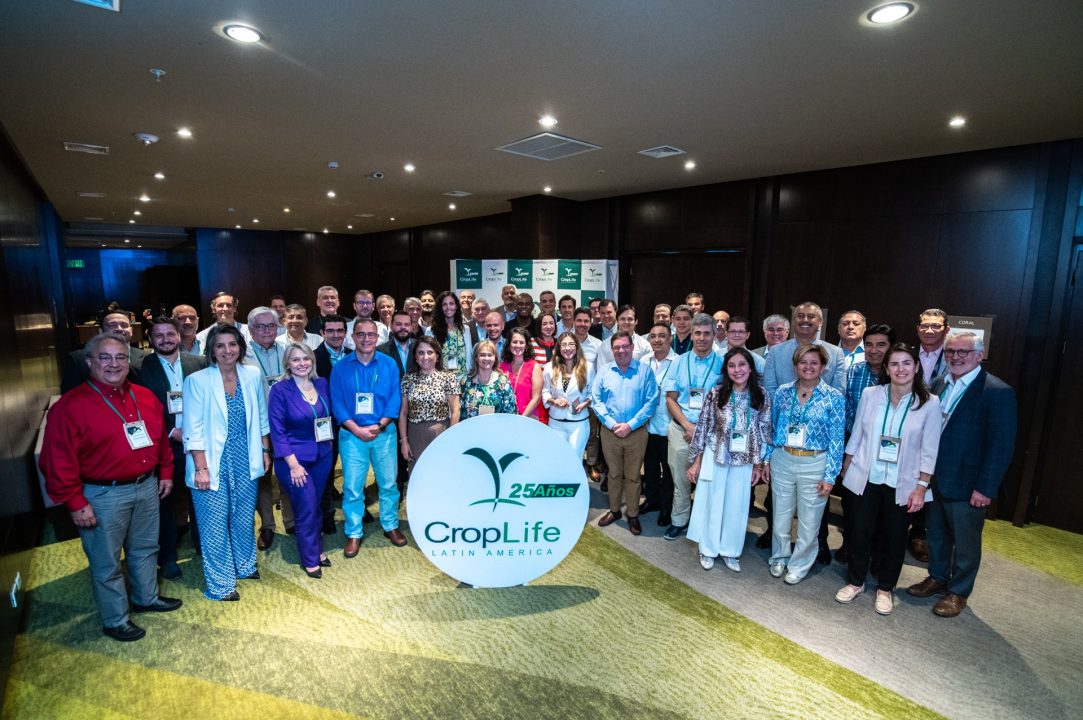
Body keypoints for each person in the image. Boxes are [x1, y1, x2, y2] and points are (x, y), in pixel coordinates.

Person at [40, 332, 181, 641]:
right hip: (102, 495)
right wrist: (75, 503)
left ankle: (146, 597)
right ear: (90, 362)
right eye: (105, 357)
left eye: (120, 357)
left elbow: (160, 440)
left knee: (146, 548)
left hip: (147, 486)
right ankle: (115, 619)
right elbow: (55, 461)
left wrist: (166, 472)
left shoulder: (145, 396)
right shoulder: (69, 406)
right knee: (106, 562)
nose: (114, 364)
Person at [907, 330, 1017, 618]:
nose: (956, 357)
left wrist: (986, 487)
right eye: (950, 351)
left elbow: (1001, 446)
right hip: (934, 478)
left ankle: (959, 591)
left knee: (966, 543)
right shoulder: (939, 384)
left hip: (969, 484)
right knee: (936, 535)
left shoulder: (996, 391)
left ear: (979, 355)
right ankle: (937, 577)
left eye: (963, 352)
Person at [837, 343, 941, 615]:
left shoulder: (929, 403)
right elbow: (858, 433)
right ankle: (855, 582)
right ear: (886, 368)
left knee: (894, 538)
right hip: (866, 476)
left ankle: (885, 588)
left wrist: (922, 487)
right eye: (894, 364)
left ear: (916, 367)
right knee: (859, 532)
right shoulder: (871, 394)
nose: (900, 369)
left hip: (903, 482)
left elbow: (930, 450)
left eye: (906, 363)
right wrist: (846, 466)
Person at [183, 325, 271, 601]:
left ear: (240, 347)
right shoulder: (197, 381)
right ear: (211, 350)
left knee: (244, 517)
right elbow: (192, 428)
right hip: (211, 462)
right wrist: (201, 468)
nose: (227, 350)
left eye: (232, 344)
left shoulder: (252, 375)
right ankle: (220, 585)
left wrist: (265, 450)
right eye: (220, 345)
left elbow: (261, 417)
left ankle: (245, 565)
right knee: (214, 524)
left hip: (246, 457)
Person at [763, 343, 845, 585]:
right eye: (803, 362)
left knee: (810, 520)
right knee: (780, 514)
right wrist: (767, 459)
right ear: (795, 366)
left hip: (815, 463)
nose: (808, 367)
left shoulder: (833, 397)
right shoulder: (782, 392)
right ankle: (779, 556)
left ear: (823, 366)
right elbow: (772, 428)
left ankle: (799, 564)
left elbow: (837, 440)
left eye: (814, 363)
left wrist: (830, 476)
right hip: (783, 459)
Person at [687, 347, 773, 572]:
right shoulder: (716, 394)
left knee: (737, 507)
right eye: (732, 366)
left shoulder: (762, 396)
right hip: (715, 456)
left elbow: (765, 431)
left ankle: (730, 551)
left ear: (750, 368)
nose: (737, 370)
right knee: (713, 504)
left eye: (742, 364)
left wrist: (760, 464)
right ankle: (708, 549)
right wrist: (696, 461)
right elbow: (703, 427)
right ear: (726, 370)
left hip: (744, 461)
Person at [330, 319, 407, 553]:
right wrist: (357, 429)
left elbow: (395, 398)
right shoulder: (340, 367)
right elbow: (337, 403)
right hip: (352, 436)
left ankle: (390, 525)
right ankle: (354, 532)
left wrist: (380, 425)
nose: (366, 339)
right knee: (353, 486)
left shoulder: (389, 364)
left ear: (377, 337)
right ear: (353, 337)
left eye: (371, 335)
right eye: (361, 334)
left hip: (384, 433)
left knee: (388, 484)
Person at [140, 316, 207, 580]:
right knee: (164, 503)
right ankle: (167, 557)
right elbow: (143, 408)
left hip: (198, 443)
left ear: (179, 336)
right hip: (164, 444)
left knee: (201, 497)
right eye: (159, 335)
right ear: (150, 339)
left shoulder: (198, 362)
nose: (165, 339)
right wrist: (171, 430)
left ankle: (205, 548)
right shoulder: (140, 368)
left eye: (170, 334)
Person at [268, 343, 334, 578]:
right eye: (295, 359)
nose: (302, 363)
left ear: (312, 361)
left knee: (316, 505)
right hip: (294, 460)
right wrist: (293, 465)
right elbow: (277, 432)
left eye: (306, 358)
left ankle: (316, 549)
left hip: (322, 455)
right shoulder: (279, 390)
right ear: (287, 363)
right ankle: (310, 558)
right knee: (306, 508)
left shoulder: (321, 383)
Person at [663, 312, 724, 540]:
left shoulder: (723, 364)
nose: (702, 338)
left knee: (708, 481)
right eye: (697, 333)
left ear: (714, 335)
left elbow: (726, 401)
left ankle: (703, 524)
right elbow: (670, 398)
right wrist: (688, 425)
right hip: (682, 430)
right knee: (680, 480)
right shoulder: (679, 362)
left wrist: (701, 429)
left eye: (707, 333)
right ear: (692, 334)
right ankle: (679, 520)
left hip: (712, 433)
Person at [593, 332, 659, 535]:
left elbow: (651, 401)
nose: (621, 350)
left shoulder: (645, 371)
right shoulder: (604, 371)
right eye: (617, 347)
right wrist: (613, 424)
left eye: (624, 346)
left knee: (633, 476)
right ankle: (614, 511)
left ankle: (632, 514)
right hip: (610, 432)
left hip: (636, 433)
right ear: (612, 350)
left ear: (632, 347)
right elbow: (596, 401)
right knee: (613, 474)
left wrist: (630, 425)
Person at [245, 306, 294, 549]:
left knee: (288, 472)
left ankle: (291, 520)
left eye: (271, 325)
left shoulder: (287, 350)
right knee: (262, 476)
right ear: (250, 329)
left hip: (287, 423)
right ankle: (267, 525)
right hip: (257, 425)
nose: (266, 330)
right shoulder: (242, 354)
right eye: (260, 326)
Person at [399, 336, 461, 471]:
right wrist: (404, 442)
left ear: (437, 356)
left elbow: (455, 411)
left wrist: (451, 438)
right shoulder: (408, 379)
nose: (425, 357)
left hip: (441, 432)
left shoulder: (448, 378)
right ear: (415, 357)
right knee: (418, 473)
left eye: (430, 352)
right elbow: (403, 413)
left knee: (441, 472)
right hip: (415, 434)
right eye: (421, 353)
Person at [313, 314, 349, 534]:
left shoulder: (353, 355)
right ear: (322, 333)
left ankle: (356, 507)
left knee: (354, 467)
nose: (336, 335)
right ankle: (326, 514)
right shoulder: (312, 357)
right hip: (325, 423)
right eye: (331, 331)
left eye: (340, 330)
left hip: (351, 421)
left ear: (345, 332)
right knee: (326, 470)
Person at [763, 302, 846, 396]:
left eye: (811, 316)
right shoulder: (775, 352)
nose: (805, 320)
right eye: (800, 316)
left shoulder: (835, 353)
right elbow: (769, 389)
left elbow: (839, 391)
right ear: (793, 321)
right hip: (782, 405)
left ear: (820, 322)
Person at [639, 322, 677, 525]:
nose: (657, 340)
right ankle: (651, 500)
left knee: (668, 471)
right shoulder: (644, 360)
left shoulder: (678, 362)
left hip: (668, 425)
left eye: (662, 336)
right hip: (647, 424)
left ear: (670, 338)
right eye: (653, 336)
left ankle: (666, 507)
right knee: (650, 466)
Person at [60, 308, 150, 393]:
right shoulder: (78, 359)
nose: (119, 328)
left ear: (131, 330)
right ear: (100, 331)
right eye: (112, 325)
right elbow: (69, 396)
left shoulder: (146, 357)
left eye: (124, 325)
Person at [543, 332, 594, 459]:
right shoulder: (549, 367)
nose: (567, 348)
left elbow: (593, 393)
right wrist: (553, 401)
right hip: (555, 422)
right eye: (564, 345)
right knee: (556, 459)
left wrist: (585, 403)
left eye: (571, 344)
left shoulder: (588, 367)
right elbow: (545, 391)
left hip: (578, 424)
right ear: (559, 348)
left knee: (574, 459)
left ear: (577, 346)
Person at [460, 340, 517, 418]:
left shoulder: (503, 381)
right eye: (482, 355)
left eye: (490, 355)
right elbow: (460, 412)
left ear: (495, 358)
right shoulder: (466, 382)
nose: (486, 358)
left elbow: (510, 412)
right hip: (470, 426)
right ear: (476, 358)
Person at [499, 327, 545, 422]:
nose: (518, 345)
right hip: (505, 419)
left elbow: (536, 398)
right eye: (514, 342)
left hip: (527, 419)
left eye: (521, 342)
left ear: (526, 345)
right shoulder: (501, 367)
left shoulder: (534, 367)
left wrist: (521, 419)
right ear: (509, 345)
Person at [431, 289, 474, 383]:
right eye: (444, 304)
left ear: (456, 306)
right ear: (440, 308)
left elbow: (469, 355)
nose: (448, 307)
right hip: (439, 380)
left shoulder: (465, 329)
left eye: (451, 304)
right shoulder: (431, 330)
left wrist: (470, 376)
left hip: (462, 380)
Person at [377, 310, 419, 375]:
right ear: (391, 326)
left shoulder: (420, 346)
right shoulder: (380, 351)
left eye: (407, 324)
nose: (403, 327)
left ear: (411, 327)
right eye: (398, 324)